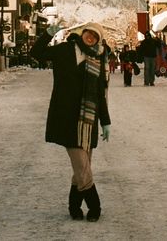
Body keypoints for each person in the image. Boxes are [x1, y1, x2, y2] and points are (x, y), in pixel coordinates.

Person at [30, 21, 111, 222]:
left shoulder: (97, 58)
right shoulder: (65, 49)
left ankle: (74, 207)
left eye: (94, 36)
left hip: (88, 121)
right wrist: (47, 35)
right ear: (82, 34)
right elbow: (37, 53)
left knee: (81, 169)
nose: (90, 38)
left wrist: (105, 121)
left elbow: (100, 93)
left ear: (97, 41)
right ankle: (95, 207)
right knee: (83, 167)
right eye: (88, 34)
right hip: (66, 117)